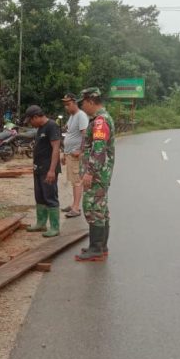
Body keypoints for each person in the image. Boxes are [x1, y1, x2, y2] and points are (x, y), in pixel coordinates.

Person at [76, 88, 115, 262]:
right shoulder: (101, 119)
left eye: (83, 102)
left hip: (97, 174)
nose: (82, 106)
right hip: (101, 173)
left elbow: (98, 148)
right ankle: (100, 246)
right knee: (101, 209)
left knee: (93, 208)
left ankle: (96, 249)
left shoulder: (100, 121)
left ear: (91, 101)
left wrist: (89, 172)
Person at [24, 105, 62, 237]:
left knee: (50, 196)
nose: (31, 124)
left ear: (36, 117)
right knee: (39, 196)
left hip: (48, 169)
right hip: (38, 168)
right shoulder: (40, 128)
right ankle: (41, 223)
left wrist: (52, 170)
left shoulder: (52, 126)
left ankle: (55, 227)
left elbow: (56, 148)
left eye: (31, 121)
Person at [60, 93, 89, 218]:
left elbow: (85, 134)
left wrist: (80, 150)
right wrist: (64, 152)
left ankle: (76, 208)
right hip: (69, 153)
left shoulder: (81, 115)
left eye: (68, 104)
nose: (66, 107)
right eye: (65, 105)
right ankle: (74, 205)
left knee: (77, 181)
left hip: (76, 154)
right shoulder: (72, 116)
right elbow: (68, 132)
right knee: (73, 181)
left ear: (75, 102)